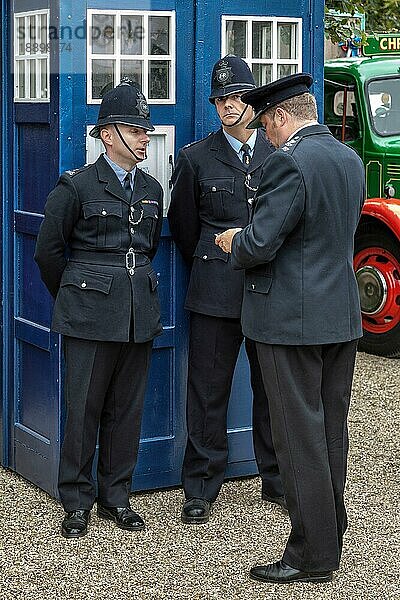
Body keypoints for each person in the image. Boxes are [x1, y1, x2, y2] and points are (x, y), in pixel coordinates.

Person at [216, 73, 365, 583]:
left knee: (297, 439)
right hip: (339, 317)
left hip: (289, 322)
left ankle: (310, 555)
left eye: (267, 124)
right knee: (329, 435)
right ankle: (330, 533)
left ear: (280, 116)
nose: (267, 135)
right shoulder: (349, 158)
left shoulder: (288, 161)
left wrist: (234, 240)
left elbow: (261, 244)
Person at [34, 82, 163, 539]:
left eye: (145, 129)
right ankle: (75, 498)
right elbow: (48, 253)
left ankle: (116, 497)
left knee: (126, 411)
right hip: (89, 314)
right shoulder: (77, 185)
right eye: (135, 129)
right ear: (108, 135)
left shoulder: (150, 188)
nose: (146, 137)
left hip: (137, 314)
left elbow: (147, 248)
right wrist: (75, 298)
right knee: (83, 407)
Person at [168, 55, 284, 525]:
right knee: (207, 392)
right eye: (219, 99)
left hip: (268, 291)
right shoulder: (196, 157)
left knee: (273, 389)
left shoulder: (279, 157)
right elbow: (184, 227)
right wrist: (215, 263)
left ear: (252, 100)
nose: (227, 106)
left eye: (235, 96)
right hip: (214, 293)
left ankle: (276, 479)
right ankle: (200, 486)